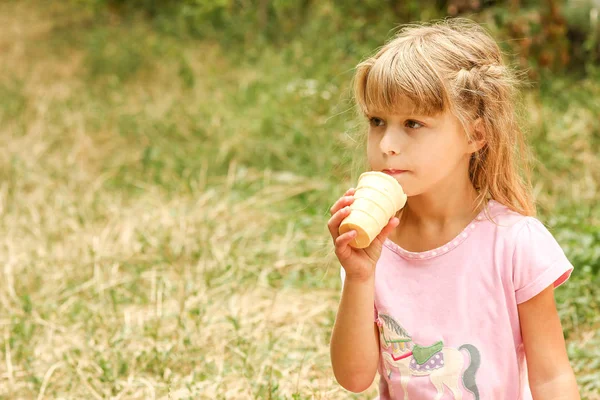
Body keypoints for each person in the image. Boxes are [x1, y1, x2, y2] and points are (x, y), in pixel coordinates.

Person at [327, 18, 580, 399]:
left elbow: (552, 378)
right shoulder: (371, 246)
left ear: (475, 135)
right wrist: (360, 276)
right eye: (377, 121)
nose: (387, 144)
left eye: (413, 123)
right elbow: (353, 378)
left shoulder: (514, 243)